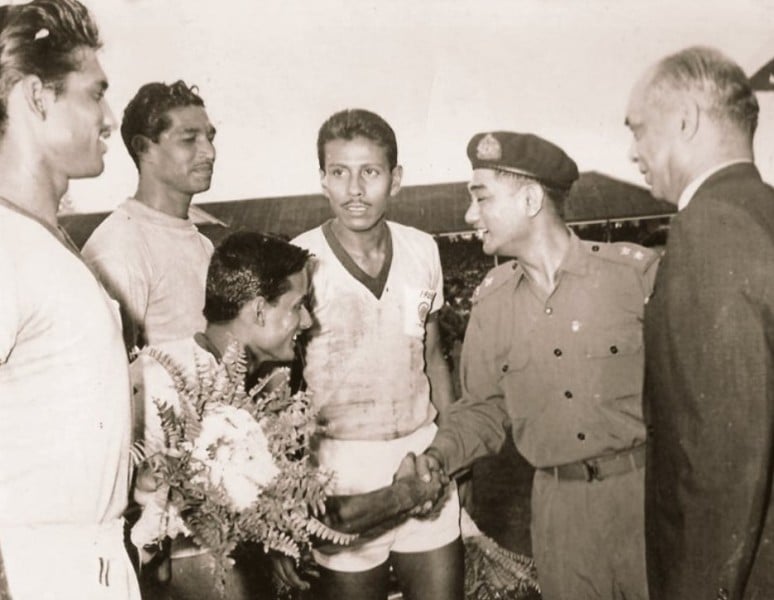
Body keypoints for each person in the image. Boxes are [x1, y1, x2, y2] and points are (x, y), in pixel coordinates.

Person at [409, 131, 659, 600]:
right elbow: (482, 409)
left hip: (647, 501)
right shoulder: (492, 304)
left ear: (530, 200)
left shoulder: (634, 277)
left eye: (481, 197)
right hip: (559, 517)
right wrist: (437, 457)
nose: (469, 215)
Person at [291, 108, 463, 600]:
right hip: (339, 466)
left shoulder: (422, 250)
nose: (355, 189)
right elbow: (285, 381)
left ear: (396, 179)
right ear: (323, 180)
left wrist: (454, 450)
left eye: (370, 171)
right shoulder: (300, 260)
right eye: (339, 172)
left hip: (421, 452)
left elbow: (431, 354)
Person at [0, 1, 140, 598]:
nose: (109, 118)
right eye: (95, 94)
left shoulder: (44, 240)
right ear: (36, 97)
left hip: (89, 562)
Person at [626, 46, 774, 600]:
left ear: (686, 120)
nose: (633, 151)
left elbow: (722, 460)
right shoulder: (761, 211)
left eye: (639, 129)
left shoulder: (708, 229)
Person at [82, 80, 216, 351]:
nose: (209, 153)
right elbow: (111, 365)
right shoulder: (118, 247)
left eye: (210, 138)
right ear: (144, 148)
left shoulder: (204, 245)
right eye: (189, 139)